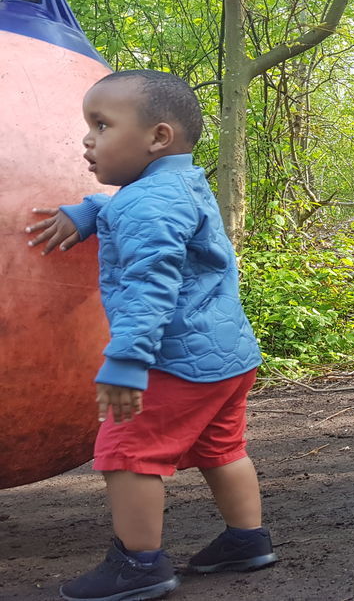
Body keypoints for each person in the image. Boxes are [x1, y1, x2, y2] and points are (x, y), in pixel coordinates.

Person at [24, 70, 276, 601]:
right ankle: (247, 539)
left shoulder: (147, 203)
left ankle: (139, 564)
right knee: (222, 446)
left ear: (157, 137)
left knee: (125, 450)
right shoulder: (180, 184)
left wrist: (125, 360)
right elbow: (139, 209)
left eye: (102, 124)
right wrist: (88, 211)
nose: (87, 139)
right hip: (226, 356)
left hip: (171, 360)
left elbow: (149, 287)